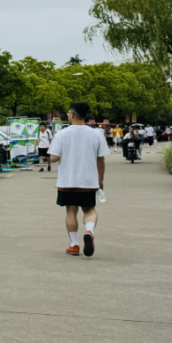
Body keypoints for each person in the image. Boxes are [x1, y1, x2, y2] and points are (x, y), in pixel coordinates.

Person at [48, 103, 108, 257]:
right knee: (89, 210)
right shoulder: (96, 134)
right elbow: (101, 161)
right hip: (89, 181)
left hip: (67, 181)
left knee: (71, 211)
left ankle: (74, 245)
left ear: (72, 115)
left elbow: (54, 158)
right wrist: (100, 181)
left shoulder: (61, 134)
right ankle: (89, 231)